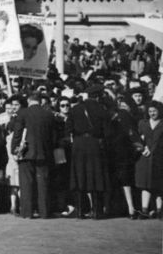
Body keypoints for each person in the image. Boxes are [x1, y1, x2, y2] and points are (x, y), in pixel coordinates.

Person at [11, 90, 57, 219]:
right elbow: (53, 137)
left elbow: (17, 134)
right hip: (44, 152)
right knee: (43, 183)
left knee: (26, 183)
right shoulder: (48, 114)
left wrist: (14, 150)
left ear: (29, 100)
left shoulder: (23, 113)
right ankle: (44, 211)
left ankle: (27, 212)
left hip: (26, 152)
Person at [67, 84, 109, 219]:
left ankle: (79, 211)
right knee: (96, 176)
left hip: (78, 144)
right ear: (98, 96)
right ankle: (97, 211)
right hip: (94, 144)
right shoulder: (102, 109)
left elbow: (68, 129)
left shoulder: (75, 109)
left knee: (79, 176)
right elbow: (107, 131)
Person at [135, 100, 163, 218]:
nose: (152, 113)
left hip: (159, 158)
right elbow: (137, 139)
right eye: (150, 111)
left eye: (154, 111)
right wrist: (142, 148)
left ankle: (159, 210)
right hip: (145, 158)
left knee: (159, 185)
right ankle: (144, 210)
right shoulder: (143, 123)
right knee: (144, 184)